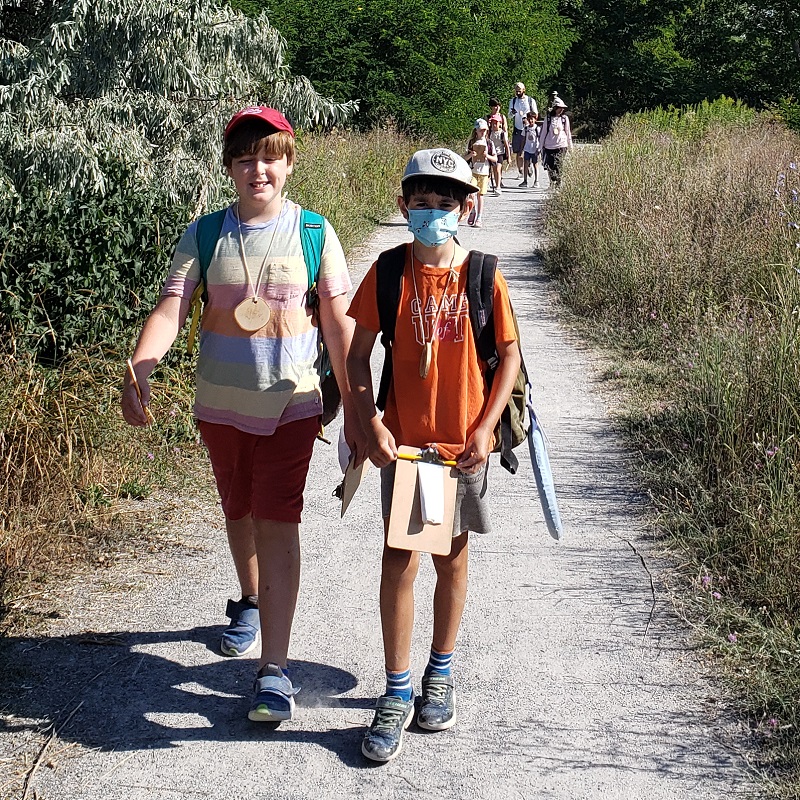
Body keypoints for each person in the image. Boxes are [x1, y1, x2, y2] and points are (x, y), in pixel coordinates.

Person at [121, 105, 364, 723]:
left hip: (291, 407)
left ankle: (273, 670)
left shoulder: (314, 232)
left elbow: (337, 324)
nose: (258, 169)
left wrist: (359, 406)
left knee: (278, 519)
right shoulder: (205, 234)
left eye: (270, 157)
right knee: (239, 510)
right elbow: (172, 307)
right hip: (221, 408)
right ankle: (249, 600)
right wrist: (142, 365)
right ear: (230, 167)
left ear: (288, 164)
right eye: (245, 158)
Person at [346, 147, 522, 762]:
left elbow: (509, 359)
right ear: (403, 206)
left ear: (466, 208)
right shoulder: (388, 273)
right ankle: (396, 692)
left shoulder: (483, 276)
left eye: (445, 203)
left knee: (451, 557)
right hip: (407, 447)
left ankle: (438, 675)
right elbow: (356, 355)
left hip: (462, 451)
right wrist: (367, 420)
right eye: (421, 202)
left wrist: (487, 427)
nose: (431, 213)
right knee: (399, 560)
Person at [464, 118, 497, 228]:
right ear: (476, 130)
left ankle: (479, 217)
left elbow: (495, 159)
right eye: (481, 130)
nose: (483, 132)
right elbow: (464, 158)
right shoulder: (471, 143)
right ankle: (472, 211)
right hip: (472, 171)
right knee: (471, 193)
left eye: (485, 130)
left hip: (484, 172)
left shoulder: (489, 143)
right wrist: (471, 155)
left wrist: (487, 156)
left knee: (480, 195)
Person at [538, 97, 573, 187]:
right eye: (559, 108)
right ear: (555, 108)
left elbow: (568, 133)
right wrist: (540, 147)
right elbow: (544, 133)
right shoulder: (548, 118)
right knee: (550, 165)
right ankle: (552, 181)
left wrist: (570, 147)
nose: (561, 110)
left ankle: (558, 182)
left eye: (562, 108)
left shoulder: (564, 119)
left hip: (561, 145)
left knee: (558, 163)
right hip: (549, 145)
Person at [507, 82, 538, 176]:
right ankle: (521, 170)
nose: (518, 93)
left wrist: (528, 121)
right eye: (516, 91)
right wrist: (512, 113)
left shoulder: (530, 101)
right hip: (518, 129)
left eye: (519, 91)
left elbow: (535, 114)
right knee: (518, 151)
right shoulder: (512, 101)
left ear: (524, 90)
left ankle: (528, 166)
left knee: (529, 150)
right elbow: (509, 116)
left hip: (528, 129)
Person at [488, 113, 511, 193]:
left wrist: (509, 157)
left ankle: (498, 186)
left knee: (498, 169)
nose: (494, 125)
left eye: (496, 123)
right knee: (494, 170)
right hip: (492, 154)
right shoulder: (489, 133)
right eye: (492, 123)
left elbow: (506, 145)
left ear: (500, 123)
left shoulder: (502, 133)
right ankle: (496, 184)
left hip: (500, 153)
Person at [520, 110, 542, 188]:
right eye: (529, 119)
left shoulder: (537, 129)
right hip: (527, 149)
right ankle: (525, 181)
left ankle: (536, 181)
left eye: (532, 119)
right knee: (526, 163)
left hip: (534, 149)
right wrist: (521, 149)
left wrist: (539, 148)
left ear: (535, 119)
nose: (530, 120)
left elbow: (540, 139)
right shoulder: (525, 129)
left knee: (535, 164)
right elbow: (523, 139)